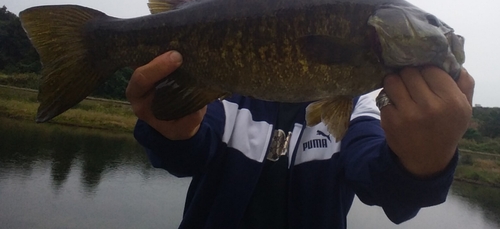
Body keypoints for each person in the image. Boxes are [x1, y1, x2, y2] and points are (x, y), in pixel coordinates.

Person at [127, 50, 474, 229]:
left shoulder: (359, 105)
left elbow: (382, 184)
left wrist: (424, 166)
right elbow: (187, 155)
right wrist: (172, 128)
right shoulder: (224, 89)